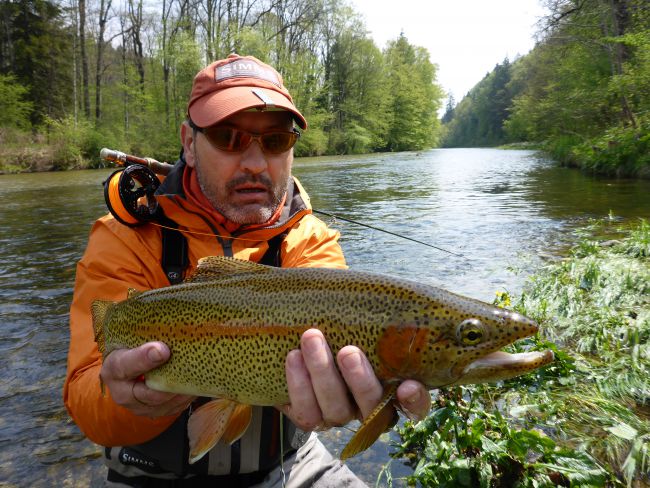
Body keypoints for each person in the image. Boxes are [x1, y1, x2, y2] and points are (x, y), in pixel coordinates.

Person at [64, 54, 431, 487]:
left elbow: (344, 350)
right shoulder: (126, 236)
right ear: (188, 143)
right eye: (228, 137)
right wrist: (130, 401)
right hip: (152, 477)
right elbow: (86, 395)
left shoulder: (311, 240)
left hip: (291, 468)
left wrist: (367, 403)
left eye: (275, 141)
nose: (256, 163)